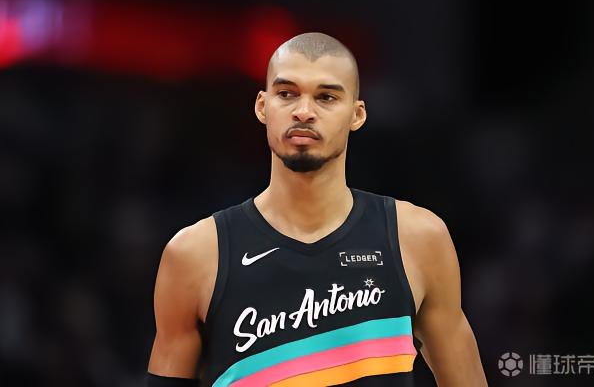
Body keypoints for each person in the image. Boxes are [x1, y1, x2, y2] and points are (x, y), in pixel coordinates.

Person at [146, 32, 488, 386]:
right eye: (287, 94)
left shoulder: (418, 239)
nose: (304, 111)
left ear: (357, 114)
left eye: (326, 97)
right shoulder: (195, 254)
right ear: (262, 106)